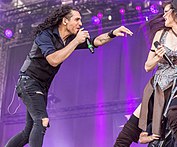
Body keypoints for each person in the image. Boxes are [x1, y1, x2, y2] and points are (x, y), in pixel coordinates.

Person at [5, 5, 133, 147]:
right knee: (41, 121)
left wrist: (113, 33)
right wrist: (76, 41)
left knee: (28, 134)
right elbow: (53, 60)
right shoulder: (45, 35)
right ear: (65, 21)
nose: (80, 23)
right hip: (28, 82)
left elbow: (97, 41)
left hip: (41, 86)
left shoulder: (70, 39)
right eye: (77, 19)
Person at [114, 0, 177, 147]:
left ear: (176, 12)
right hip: (157, 90)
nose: (163, 16)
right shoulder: (160, 35)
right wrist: (157, 57)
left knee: (174, 114)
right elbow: (147, 67)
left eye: (166, 12)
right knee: (124, 137)